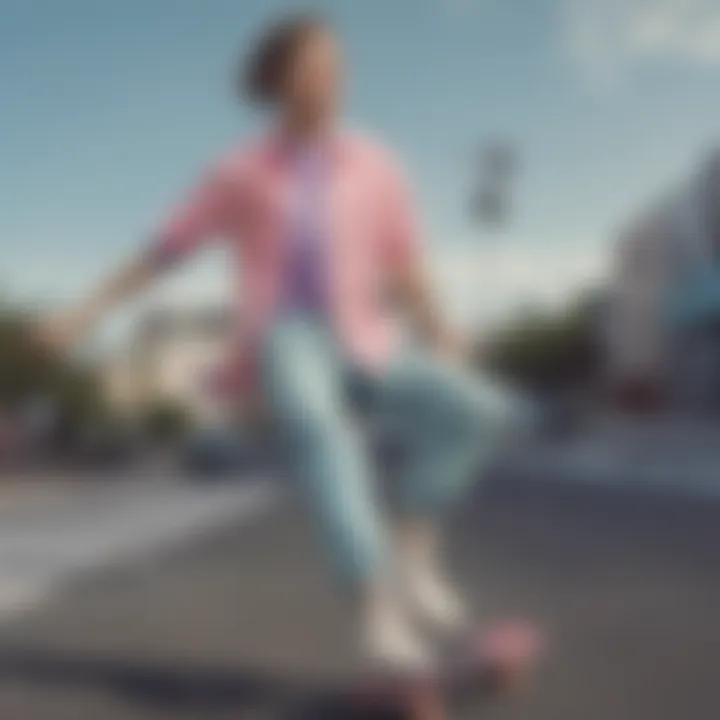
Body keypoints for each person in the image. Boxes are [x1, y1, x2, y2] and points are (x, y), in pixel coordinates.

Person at [41, 14, 518, 674]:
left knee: (475, 409)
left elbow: (403, 258)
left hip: (367, 334)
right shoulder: (240, 171)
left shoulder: (376, 163)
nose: (332, 78)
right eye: (313, 64)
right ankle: (376, 607)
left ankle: (413, 554)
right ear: (278, 82)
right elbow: (166, 248)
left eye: (338, 64)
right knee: (325, 436)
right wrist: (85, 311)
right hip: (287, 337)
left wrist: (440, 328)